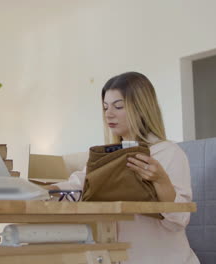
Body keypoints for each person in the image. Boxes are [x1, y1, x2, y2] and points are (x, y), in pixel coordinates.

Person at [47, 72, 200, 263]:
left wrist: (161, 181)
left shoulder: (168, 153)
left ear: (141, 108)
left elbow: (179, 220)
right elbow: (79, 185)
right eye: (105, 107)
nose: (108, 114)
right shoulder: (107, 156)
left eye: (118, 106)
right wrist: (42, 191)